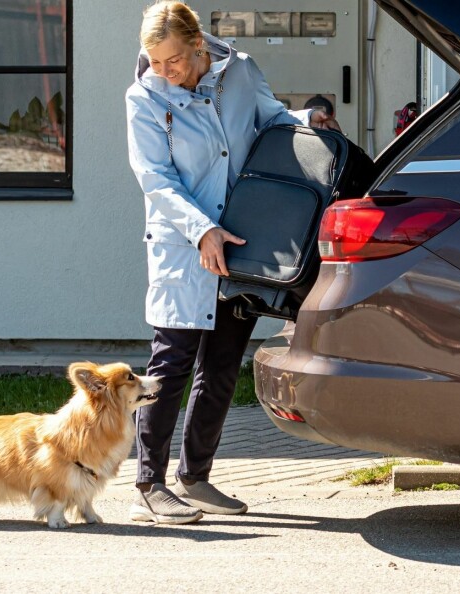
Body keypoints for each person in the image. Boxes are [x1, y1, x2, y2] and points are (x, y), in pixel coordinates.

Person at [125, 0, 340, 524]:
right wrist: (202, 231)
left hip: (244, 242)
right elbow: (156, 179)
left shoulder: (239, 72)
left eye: (172, 60)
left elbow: (270, 121)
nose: (164, 71)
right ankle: (148, 485)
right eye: (155, 61)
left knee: (221, 368)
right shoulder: (144, 98)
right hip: (185, 246)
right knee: (170, 368)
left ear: (197, 44)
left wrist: (305, 120)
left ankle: (195, 477)